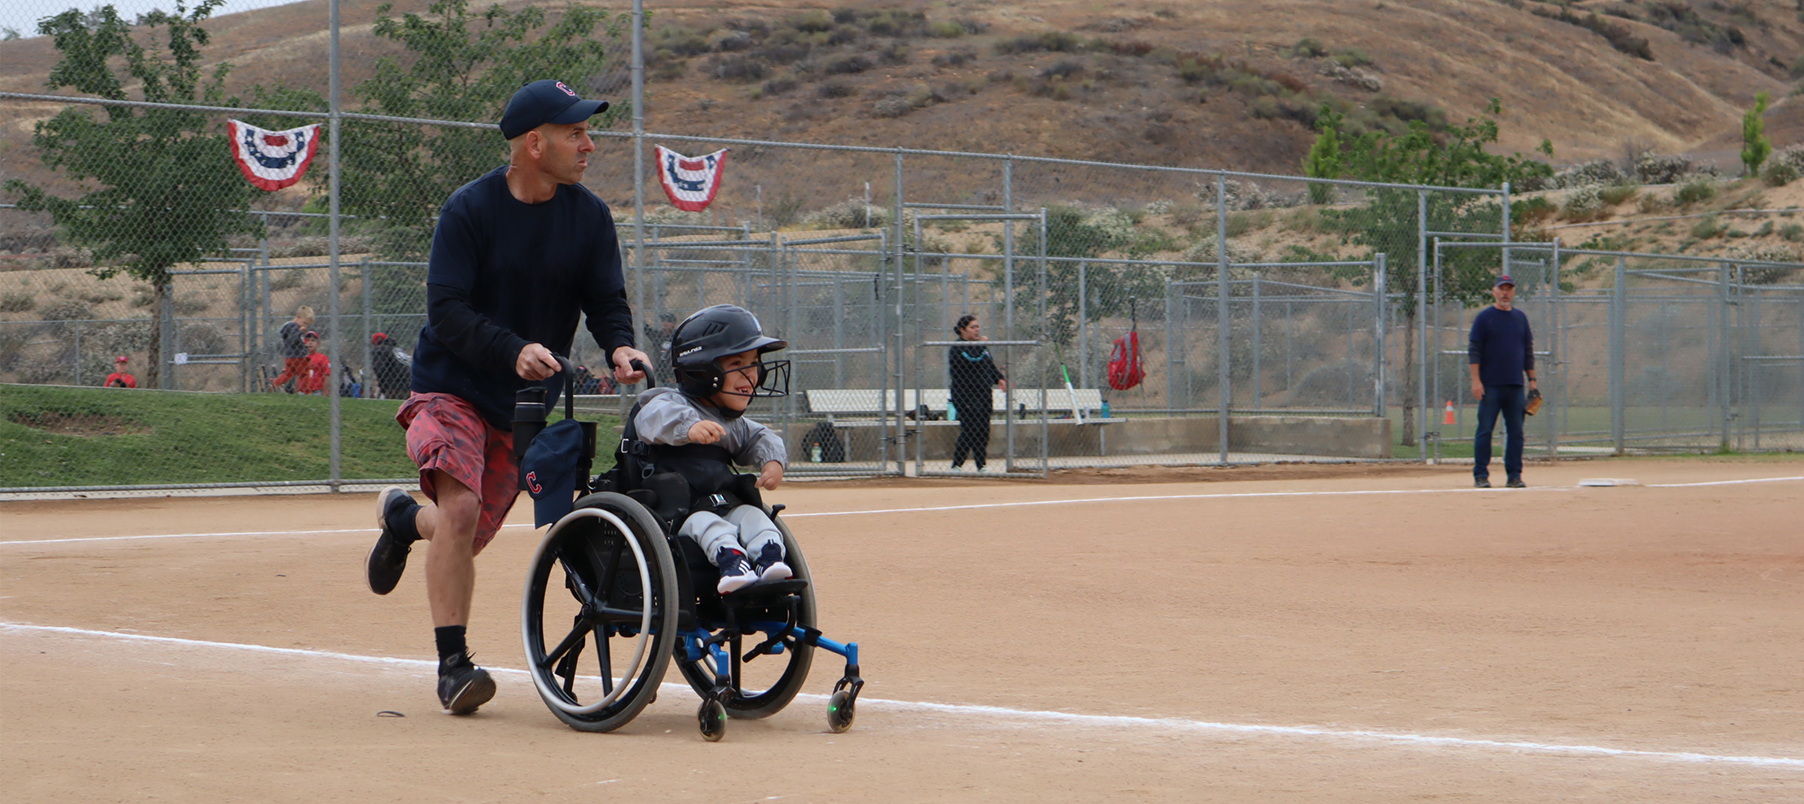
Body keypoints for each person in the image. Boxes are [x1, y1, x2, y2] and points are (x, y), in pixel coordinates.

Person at [361, 79, 650, 717]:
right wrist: (511, 348)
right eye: (575, 133)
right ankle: (453, 667)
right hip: (452, 386)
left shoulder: (589, 217)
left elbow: (604, 300)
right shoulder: (471, 210)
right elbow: (447, 310)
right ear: (533, 142)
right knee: (460, 514)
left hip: (521, 404)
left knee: (463, 534)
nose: (588, 145)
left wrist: (620, 347)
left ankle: (405, 520)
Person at [632, 305, 791, 594]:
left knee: (755, 516)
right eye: (737, 364)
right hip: (679, 512)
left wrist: (772, 462)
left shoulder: (732, 422)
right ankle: (733, 563)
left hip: (723, 505)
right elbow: (650, 419)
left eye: (754, 363)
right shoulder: (672, 404)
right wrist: (688, 427)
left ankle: (769, 560)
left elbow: (759, 436)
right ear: (703, 371)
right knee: (708, 525)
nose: (752, 375)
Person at [1469, 274, 1537, 489]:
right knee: (1485, 429)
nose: (1505, 293)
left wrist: (1532, 380)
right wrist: (1476, 381)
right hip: (1490, 385)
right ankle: (1481, 475)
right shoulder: (1484, 318)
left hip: (1515, 385)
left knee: (1516, 432)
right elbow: (1474, 351)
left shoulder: (1520, 318)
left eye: (1509, 289)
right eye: (1501, 289)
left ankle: (1514, 475)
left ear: (1513, 292)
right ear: (1494, 291)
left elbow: (1527, 350)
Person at [947, 313, 1006, 472]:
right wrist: (980, 345)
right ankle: (957, 465)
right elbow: (971, 361)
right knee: (970, 429)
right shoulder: (958, 348)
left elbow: (988, 365)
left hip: (983, 394)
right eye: (973, 327)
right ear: (962, 330)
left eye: (978, 327)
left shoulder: (981, 347)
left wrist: (999, 378)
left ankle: (981, 465)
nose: (977, 330)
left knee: (983, 430)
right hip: (965, 395)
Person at [271, 306, 315, 392]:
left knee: (288, 374)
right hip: (298, 356)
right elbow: (293, 339)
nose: (305, 326)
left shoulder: (288, 326)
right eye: (304, 323)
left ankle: (274, 385)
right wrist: (300, 331)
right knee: (305, 373)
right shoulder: (295, 326)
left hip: (289, 356)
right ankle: (307, 392)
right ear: (298, 317)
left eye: (307, 325)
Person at [369, 332, 413, 400]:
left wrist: (382, 386)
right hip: (410, 384)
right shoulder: (397, 350)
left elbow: (379, 369)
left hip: (394, 386)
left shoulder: (379, 350)